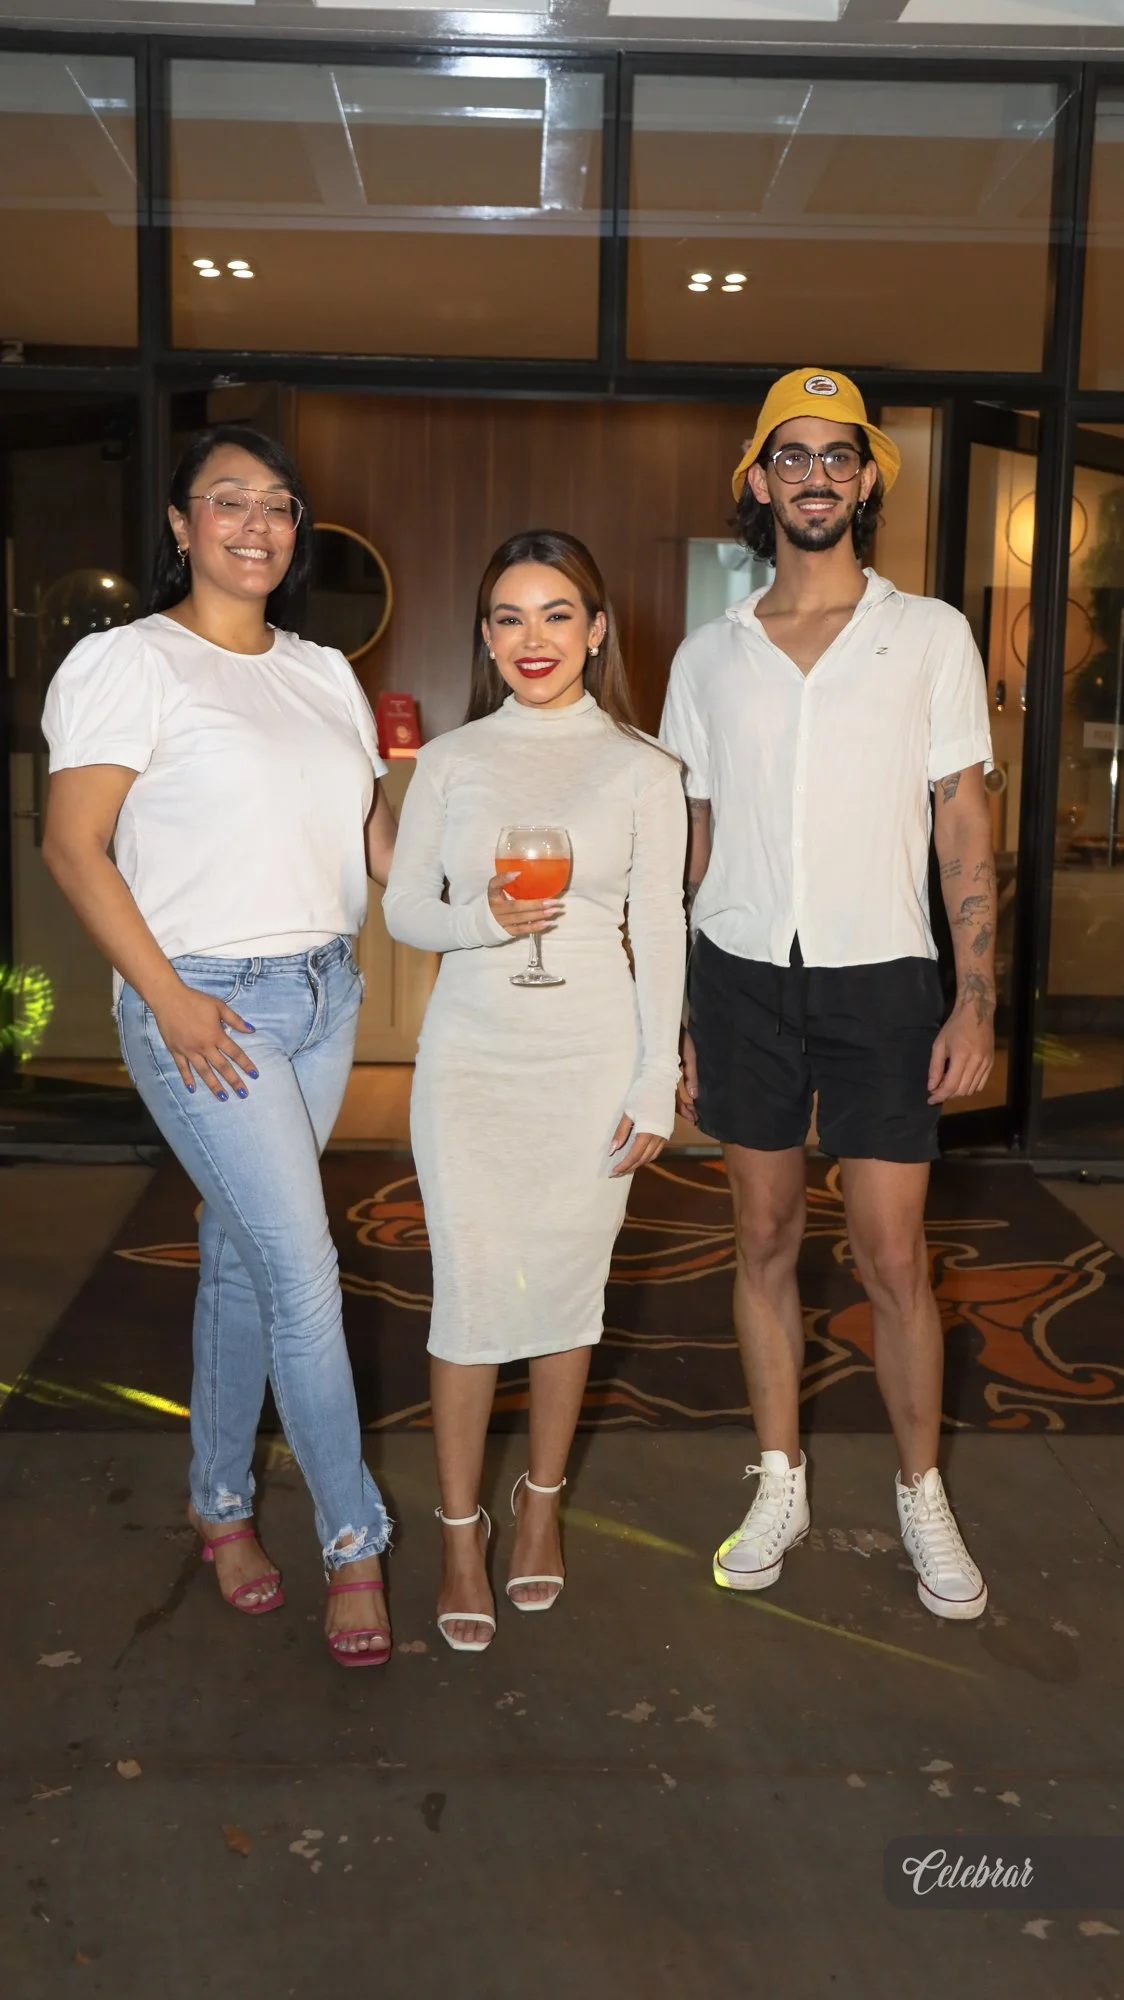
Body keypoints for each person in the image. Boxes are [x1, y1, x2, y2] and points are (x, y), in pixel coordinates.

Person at [41, 424, 397, 1668]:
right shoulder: (128, 660)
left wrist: (484, 887)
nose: (257, 522)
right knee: (303, 1269)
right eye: (228, 499)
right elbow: (71, 845)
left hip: (323, 992)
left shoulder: (323, 671)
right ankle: (354, 1537)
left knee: (246, 1261)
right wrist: (169, 999)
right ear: (181, 524)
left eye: (279, 504)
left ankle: (219, 1502)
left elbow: (373, 845)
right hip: (205, 1006)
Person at [660, 368, 995, 1621]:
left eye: (835, 455)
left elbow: (961, 816)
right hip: (739, 974)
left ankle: (921, 1488)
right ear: (757, 481)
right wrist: (670, 1013)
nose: (813, 474)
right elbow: (689, 838)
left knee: (891, 1253)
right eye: (789, 454)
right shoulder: (709, 654)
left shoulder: (929, 634)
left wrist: (974, 996)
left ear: (863, 480)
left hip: (883, 977)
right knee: (759, 1238)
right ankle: (779, 1478)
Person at [382, 529, 685, 1653]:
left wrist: (653, 1082)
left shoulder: (644, 768)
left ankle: (541, 1503)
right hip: (470, 1061)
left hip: (591, 1058)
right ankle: (459, 1529)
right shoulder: (452, 759)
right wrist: (483, 921)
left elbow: (661, 927)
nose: (533, 638)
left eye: (557, 614)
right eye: (509, 618)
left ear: (596, 630)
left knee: (566, 1290)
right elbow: (405, 908)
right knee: (467, 1296)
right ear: (486, 637)